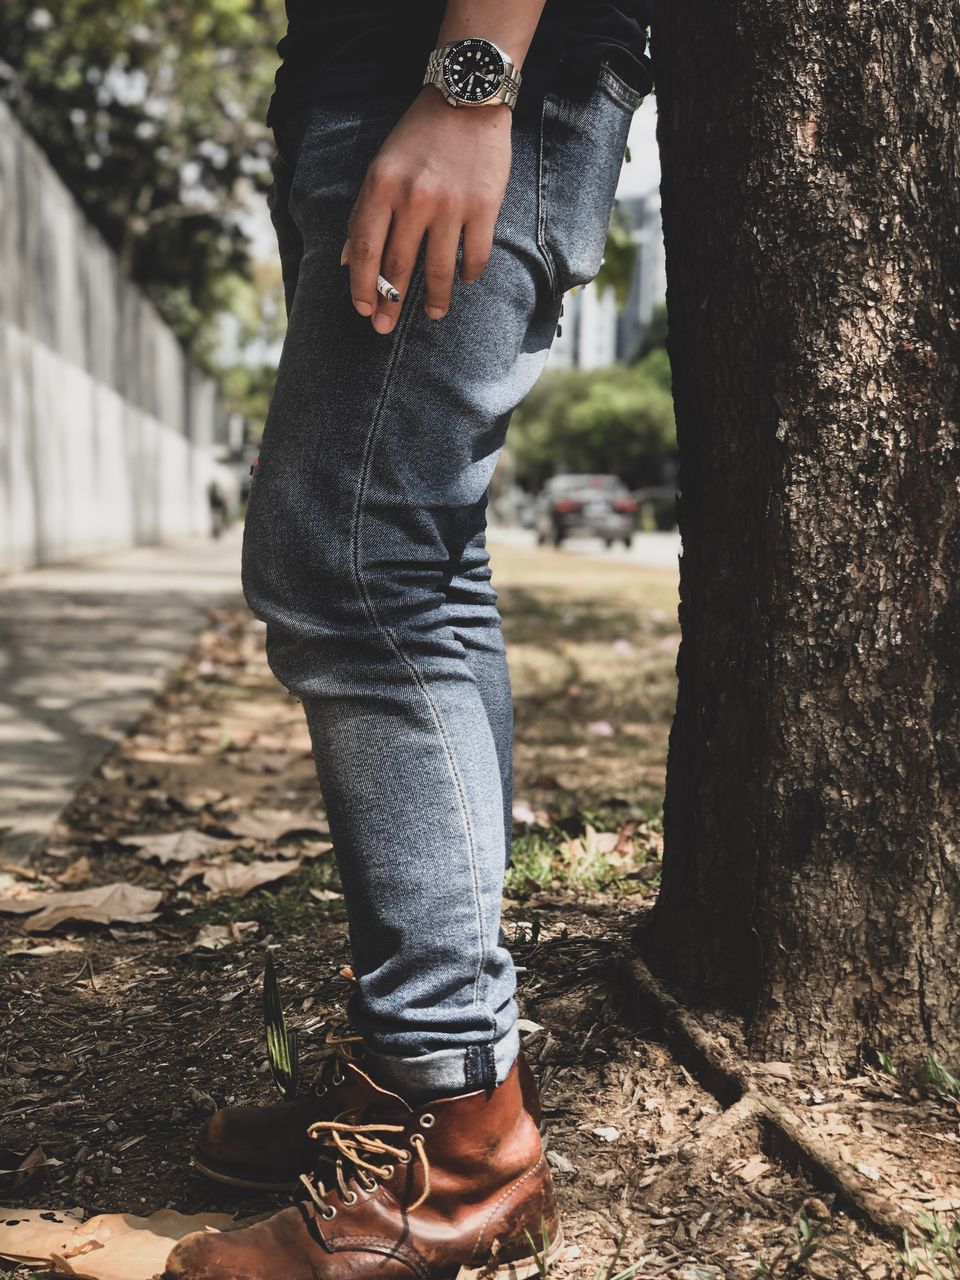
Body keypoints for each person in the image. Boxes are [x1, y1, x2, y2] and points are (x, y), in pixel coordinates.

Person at [165, 3, 653, 1277]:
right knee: (421, 555)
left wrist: (473, 79)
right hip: (368, 59)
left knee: (352, 557)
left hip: (459, 58)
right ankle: (414, 1071)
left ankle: (466, 1139)